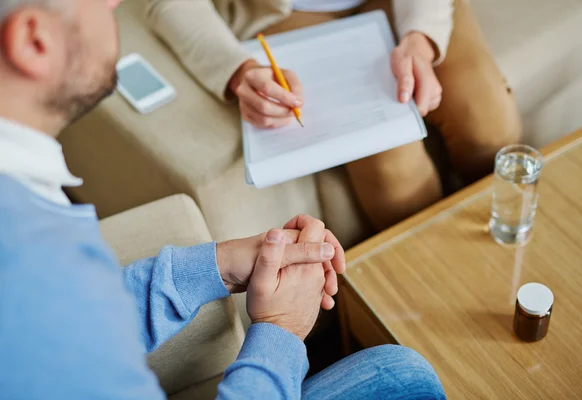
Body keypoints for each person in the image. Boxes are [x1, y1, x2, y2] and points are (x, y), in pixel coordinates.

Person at [0, 0, 447, 399]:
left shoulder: (26, 206)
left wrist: (217, 265)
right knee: (407, 378)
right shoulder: (37, 271)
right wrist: (281, 333)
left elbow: (86, 321)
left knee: (400, 368)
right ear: (33, 39)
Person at [146, 0, 522, 230]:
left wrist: (421, 40)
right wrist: (238, 71)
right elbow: (169, 4)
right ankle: (435, 273)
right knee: (392, 164)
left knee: (491, 127)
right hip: (287, 13)